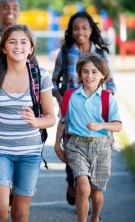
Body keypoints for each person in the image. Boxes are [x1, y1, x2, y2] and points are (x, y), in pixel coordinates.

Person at [0, 24, 56, 222]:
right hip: (0, 149)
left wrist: (35, 121)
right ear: (4, 47)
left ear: (31, 49)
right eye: (12, 41)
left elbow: (51, 117)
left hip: (30, 152)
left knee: (20, 214)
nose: (18, 46)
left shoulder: (40, 77)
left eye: (24, 42)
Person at [52, 11, 116, 206]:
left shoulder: (101, 54)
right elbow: (54, 81)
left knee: (94, 152)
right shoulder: (64, 52)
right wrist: (62, 99)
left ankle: (85, 189)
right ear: (71, 31)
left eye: (85, 28)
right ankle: (74, 183)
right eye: (76, 28)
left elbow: (111, 83)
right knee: (72, 149)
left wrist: (107, 100)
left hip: (94, 114)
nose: (80, 32)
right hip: (71, 112)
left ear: (91, 30)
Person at [55, 53, 122, 222]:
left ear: (102, 75)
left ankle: (95, 218)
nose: (89, 76)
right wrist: (57, 146)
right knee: (83, 188)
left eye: (94, 72)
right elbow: (62, 122)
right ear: (79, 74)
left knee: (96, 192)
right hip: (76, 146)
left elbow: (118, 126)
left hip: (101, 148)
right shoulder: (70, 96)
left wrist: (102, 126)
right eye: (85, 71)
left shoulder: (108, 99)